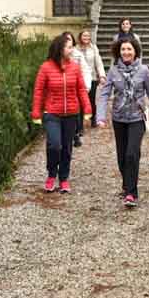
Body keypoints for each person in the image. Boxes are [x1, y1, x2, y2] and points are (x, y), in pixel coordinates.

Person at [96, 36, 149, 208]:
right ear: (118, 52)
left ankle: (131, 193)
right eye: (123, 50)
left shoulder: (143, 70)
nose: (126, 52)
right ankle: (126, 184)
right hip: (119, 118)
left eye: (129, 49)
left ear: (135, 52)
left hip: (137, 118)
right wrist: (100, 116)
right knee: (121, 156)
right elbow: (105, 94)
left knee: (131, 154)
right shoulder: (113, 71)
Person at [31, 33, 92, 194]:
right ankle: (52, 174)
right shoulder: (46, 67)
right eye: (69, 47)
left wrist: (87, 110)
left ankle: (64, 178)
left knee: (66, 148)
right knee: (54, 144)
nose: (72, 50)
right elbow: (38, 90)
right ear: (60, 48)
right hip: (52, 113)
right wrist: (36, 113)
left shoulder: (75, 67)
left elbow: (81, 89)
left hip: (71, 114)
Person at [76, 29, 106, 134]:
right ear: (80, 37)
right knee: (80, 102)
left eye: (88, 36)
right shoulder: (76, 49)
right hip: (79, 79)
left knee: (91, 100)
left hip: (92, 78)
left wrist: (102, 75)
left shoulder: (94, 48)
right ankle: (79, 127)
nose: (86, 38)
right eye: (84, 36)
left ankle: (93, 118)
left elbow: (98, 63)